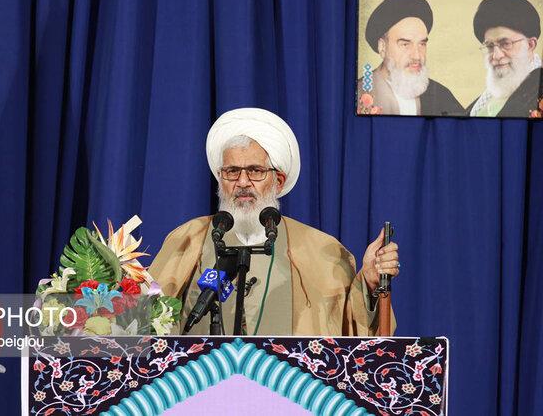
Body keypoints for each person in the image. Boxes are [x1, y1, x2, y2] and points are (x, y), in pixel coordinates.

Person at [149, 108, 400, 336]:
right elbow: (143, 326)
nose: (243, 182)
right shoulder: (187, 239)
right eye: (232, 171)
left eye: (256, 171)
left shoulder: (323, 250)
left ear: (278, 181)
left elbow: (357, 341)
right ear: (220, 178)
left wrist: (370, 284)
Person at [357, 0, 462, 116]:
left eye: (422, 44)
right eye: (405, 44)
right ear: (382, 47)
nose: (417, 56)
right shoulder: (359, 93)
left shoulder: (440, 95)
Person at [467, 0, 543, 117]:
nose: (496, 56)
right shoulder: (487, 97)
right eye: (490, 46)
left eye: (506, 44)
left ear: (530, 45)